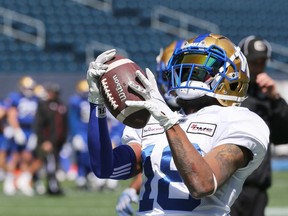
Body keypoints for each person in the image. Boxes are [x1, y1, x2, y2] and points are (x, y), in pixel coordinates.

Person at [87, 33, 269, 215]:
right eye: (186, 64)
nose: (188, 71)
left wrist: (169, 123)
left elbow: (202, 184)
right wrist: (97, 104)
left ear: (233, 76)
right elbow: (106, 168)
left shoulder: (239, 120)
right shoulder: (154, 118)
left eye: (200, 69)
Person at [116, 39, 186, 215]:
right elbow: (155, 163)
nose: (175, 82)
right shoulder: (146, 113)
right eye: (170, 75)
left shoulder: (208, 113)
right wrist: (133, 188)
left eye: (183, 74)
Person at [230, 36, 288, 216]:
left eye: (262, 62)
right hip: (230, 185)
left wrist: (276, 99)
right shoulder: (228, 93)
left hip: (257, 188)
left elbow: (283, 137)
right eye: (254, 62)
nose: (258, 67)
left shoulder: (268, 97)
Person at [3, 76, 38, 196]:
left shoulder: (35, 98)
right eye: (26, 87)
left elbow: (38, 117)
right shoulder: (15, 97)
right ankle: (9, 181)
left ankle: (24, 182)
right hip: (20, 129)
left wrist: (36, 133)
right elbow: (11, 114)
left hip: (31, 130)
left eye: (30, 88)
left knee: (28, 157)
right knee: (15, 156)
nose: (29, 90)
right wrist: (16, 130)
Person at [33, 82, 68, 195]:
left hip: (58, 141)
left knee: (54, 164)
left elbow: (64, 125)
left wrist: (64, 139)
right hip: (48, 141)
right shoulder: (43, 106)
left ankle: (52, 186)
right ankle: (52, 187)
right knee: (49, 164)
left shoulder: (61, 106)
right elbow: (40, 125)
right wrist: (44, 141)